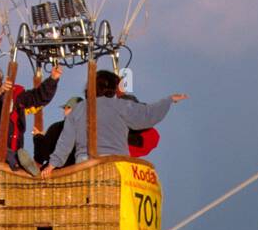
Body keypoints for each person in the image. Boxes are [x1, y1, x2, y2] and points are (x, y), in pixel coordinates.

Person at [42, 71, 187, 174]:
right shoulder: (120, 105)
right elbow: (147, 115)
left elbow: (65, 141)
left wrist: (53, 164)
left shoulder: (78, 109)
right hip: (116, 163)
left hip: (85, 163)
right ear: (112, 87)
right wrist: (168, 101)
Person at [0, 61, 62, 175]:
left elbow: (38, 98)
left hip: (13, 151)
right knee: (11, 156)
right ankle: (24, 167)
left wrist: (52, 79)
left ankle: (26, 167)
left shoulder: (15, 96)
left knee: (14, 156)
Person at [33, 96, 83, 168]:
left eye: (68, 108)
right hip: (82, 169)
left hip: (57, 171)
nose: (64, 110)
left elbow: (43, 154)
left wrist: (38, 137)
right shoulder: (89, 128)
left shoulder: (56, 127)